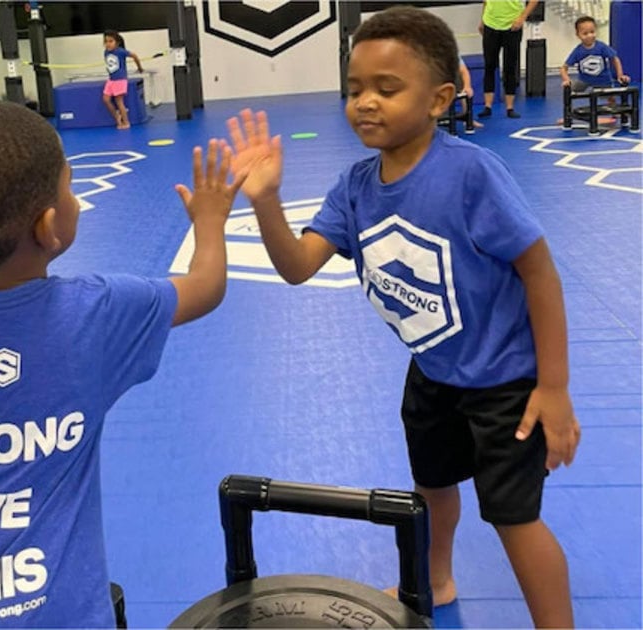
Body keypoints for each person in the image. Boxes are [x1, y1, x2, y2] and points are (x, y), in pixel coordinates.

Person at [225, 6, 579, 628]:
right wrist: (267, 201)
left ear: (439, 99)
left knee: (512, 518)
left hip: (505, 383)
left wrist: (553, 388)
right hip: (434, 371)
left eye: (387, 89)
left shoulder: (470, 173)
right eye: (355, 89)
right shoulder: (355, 186)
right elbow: (297, 266)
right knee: (432, 490)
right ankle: (436, 579)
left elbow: (539, 272)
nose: (365, 102)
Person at [0, 100, 244, 627]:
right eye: (70, 186)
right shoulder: (96, 314)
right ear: (49, 227)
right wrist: (211, 220)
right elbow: (205, 287)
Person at [477, 0, 539, 119]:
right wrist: (482, 21)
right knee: (489, 65)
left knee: (510, 66)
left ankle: (510, 107)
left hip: (512, 26)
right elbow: (486, 2)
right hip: (490, 24)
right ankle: (487, 106)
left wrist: (522, 18)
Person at [560, 15, 631, 92]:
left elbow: (615, 58)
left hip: (603, 81)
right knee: (569, 89)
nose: (589, 36)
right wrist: (566, 80)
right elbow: (564, 68)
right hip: (583, 81)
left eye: (592, 32)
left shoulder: (602, 47)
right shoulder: (578, 51)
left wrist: (620, 75)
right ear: (578, 35)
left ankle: (611, 101)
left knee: (610, 97)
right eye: (585, 33)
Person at [103, 30, 143, 129]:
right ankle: (117, 115)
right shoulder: (106, 52)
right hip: (111, 80)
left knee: (119, 102)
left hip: (120, 80)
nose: (108, 44)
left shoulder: (120, 51)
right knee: (106, 99)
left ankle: (126, 122)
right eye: (106, 41)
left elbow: (134, 56)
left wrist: (139, 67)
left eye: (110, 41)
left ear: (117, 42)